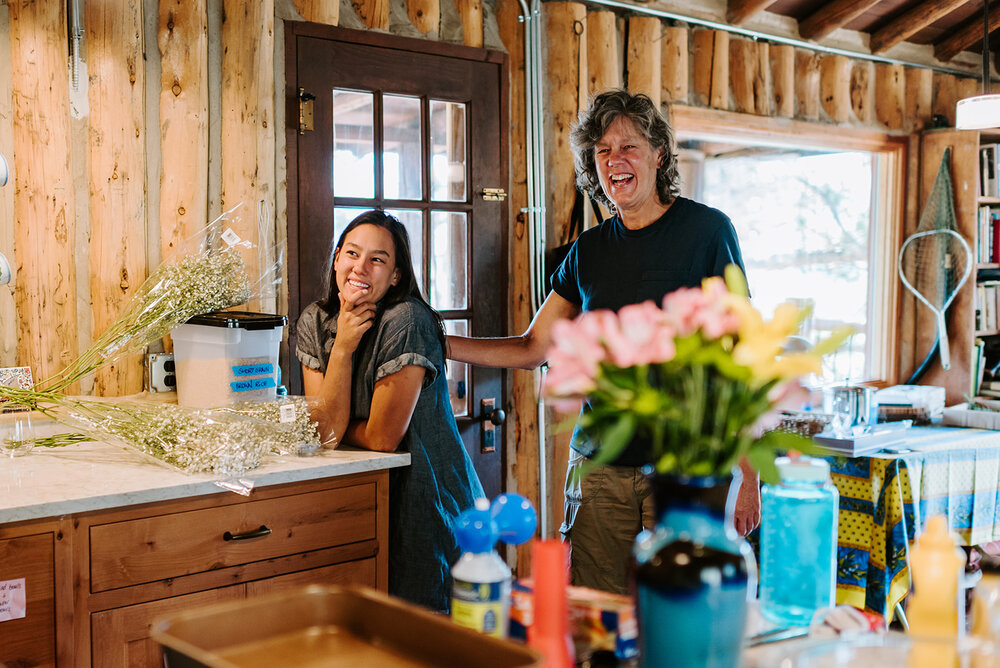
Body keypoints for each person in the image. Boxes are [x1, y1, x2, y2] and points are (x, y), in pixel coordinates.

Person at [447, 89, 758, 595]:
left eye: (629, 146)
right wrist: (443, 344)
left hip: (685, 469)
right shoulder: (588, 252)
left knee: (678, 608)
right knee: (597, 613)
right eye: (603, 151)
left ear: (659, 154)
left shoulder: (708, 232)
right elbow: (533, 348)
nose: (616, 160)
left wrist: (749, 475)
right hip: (598, 469)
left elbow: (740, 354)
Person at [296, 210, 485, 612]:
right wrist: (344, 345)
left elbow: (380, 439)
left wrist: (338, 423)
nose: (359, 267)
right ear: (336, 260)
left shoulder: (407, 320)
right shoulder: (315, 320)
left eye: (377, 259)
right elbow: (324, 433)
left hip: (426, 497)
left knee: (426, 636)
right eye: (351, 253)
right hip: (362, 497)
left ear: (396, 275)